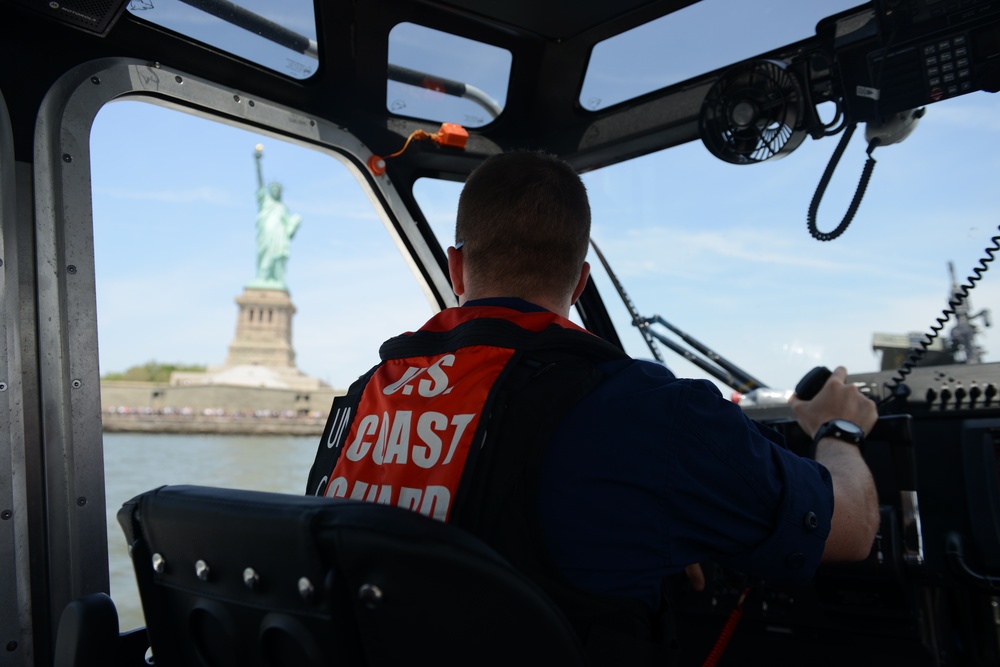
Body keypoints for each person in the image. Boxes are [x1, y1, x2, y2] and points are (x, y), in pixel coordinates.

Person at [306, 150, 879, 664]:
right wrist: (839, 426)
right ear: (580, 283)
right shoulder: (648, 412)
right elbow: (851, 531)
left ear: (456, 269)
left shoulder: (367, 397)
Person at [249, 144, 302, 290]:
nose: (275, 191)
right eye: (272, 189)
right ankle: (263, 278)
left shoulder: (283, 208)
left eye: (277, 189)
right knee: (265, 254)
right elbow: (260, 183)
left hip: (279, 235)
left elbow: (289, 228)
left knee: (277, 256)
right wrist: (257, 162)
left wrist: (295, 222)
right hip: (267, 232)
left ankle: (276, 279)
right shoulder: (265, 200)